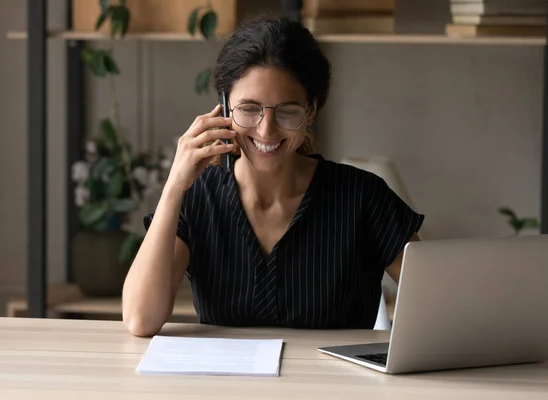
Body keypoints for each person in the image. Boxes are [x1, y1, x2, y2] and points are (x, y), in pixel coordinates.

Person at [122, 17, 424, 337]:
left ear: (311, 111)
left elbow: (438, 307)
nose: (266, 130)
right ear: (225, 107)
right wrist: (174, 187)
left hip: (335, 387)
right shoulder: (198, 197)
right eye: (249, 108)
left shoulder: (363, 196)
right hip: (225, 386)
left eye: (287, 111)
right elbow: (141, 319)